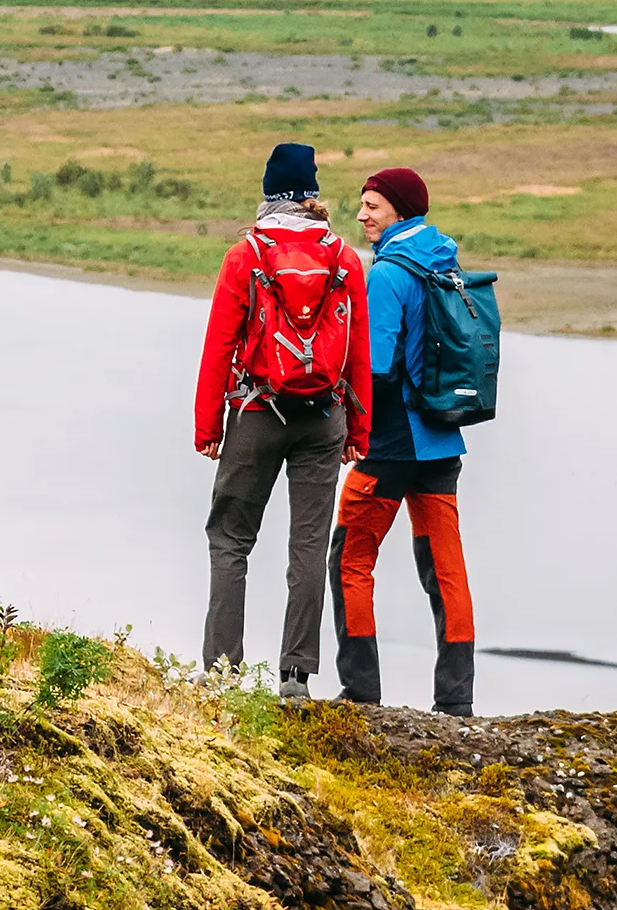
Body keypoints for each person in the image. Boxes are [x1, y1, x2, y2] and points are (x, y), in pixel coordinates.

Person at [193, 141, 367, 697]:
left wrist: (207, 427)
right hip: (325, 417)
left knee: (230, 538)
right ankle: (296, 675)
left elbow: (219, 345)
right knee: (309, 545)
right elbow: (359, 353)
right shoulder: (345, 258)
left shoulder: (246, 255)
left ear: (269, 194)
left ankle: (222, 672)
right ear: (312, 196)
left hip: (256, 413)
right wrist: (358, 431)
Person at [339, 166, 477, 714]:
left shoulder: (389, 272)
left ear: (400, 211)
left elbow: (376, 365)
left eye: (372, 205)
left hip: (392, 444)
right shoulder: (445, 257)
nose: (362, 215)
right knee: (446, 570)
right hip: (445, 443)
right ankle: (456, 702)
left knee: (350, 560)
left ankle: (361, 694)